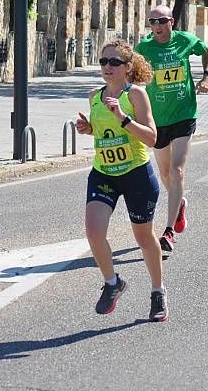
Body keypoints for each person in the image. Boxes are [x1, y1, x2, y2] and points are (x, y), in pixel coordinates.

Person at [75, 39, 168, 322]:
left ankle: (157, 291)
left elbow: (152, 138)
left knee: (143, 237)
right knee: (93, 232)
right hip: (104, 173)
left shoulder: (135, 95)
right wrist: (88, 128)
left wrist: (124, 118)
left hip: (137, 173)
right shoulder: (94, 96)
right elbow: (103, 132)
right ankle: (113, 282)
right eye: (104, 62)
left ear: (127, 68)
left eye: (114, 63)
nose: (108, 67)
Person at [135, 5, 208, 252]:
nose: (157, 26)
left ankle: (168, 231)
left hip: (184, 113)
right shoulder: (144, 48)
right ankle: (178, 203)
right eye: (152, 21)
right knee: (166, 175)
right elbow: (132, 74)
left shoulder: (185, 40)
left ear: (171, 21)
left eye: (161, 21)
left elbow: (207, 50)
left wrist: (207, 75)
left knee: (177, 171)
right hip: (157, 120)